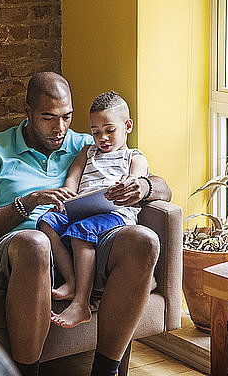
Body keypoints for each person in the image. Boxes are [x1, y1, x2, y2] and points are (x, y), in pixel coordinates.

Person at [0, 72, 171, 376]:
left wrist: (145, 187)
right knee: (35, 242)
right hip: (16, 250)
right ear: (27, 111)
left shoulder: (91, 144)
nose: (60, 128)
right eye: (48, 117)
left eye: (67, 117)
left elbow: (164, 187)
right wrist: (28, 202)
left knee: (143, 240)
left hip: (82, 244)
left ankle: (105, 371)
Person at [38, 91, 149, 330]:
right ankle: (71, 281)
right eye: (96, 132)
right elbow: (72, 180)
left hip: (115, 213)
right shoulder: (87, 153)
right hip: (83, 207)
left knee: (81, 231)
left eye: (110, 130)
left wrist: (128, 185)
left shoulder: (133, 156)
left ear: (127, 126)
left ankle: (81, 303)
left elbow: (136, 181)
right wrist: (67, 196)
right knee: (46, 221)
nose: (103, 138)